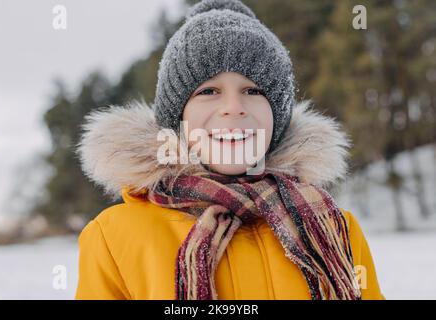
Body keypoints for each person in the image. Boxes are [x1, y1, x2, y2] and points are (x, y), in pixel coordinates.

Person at [75, 0, 384, 300]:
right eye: (208, 91)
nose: (234, 108)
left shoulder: (334, 227)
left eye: (253, 90)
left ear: (277, 116)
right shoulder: (114, 237)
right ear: (176, 116)